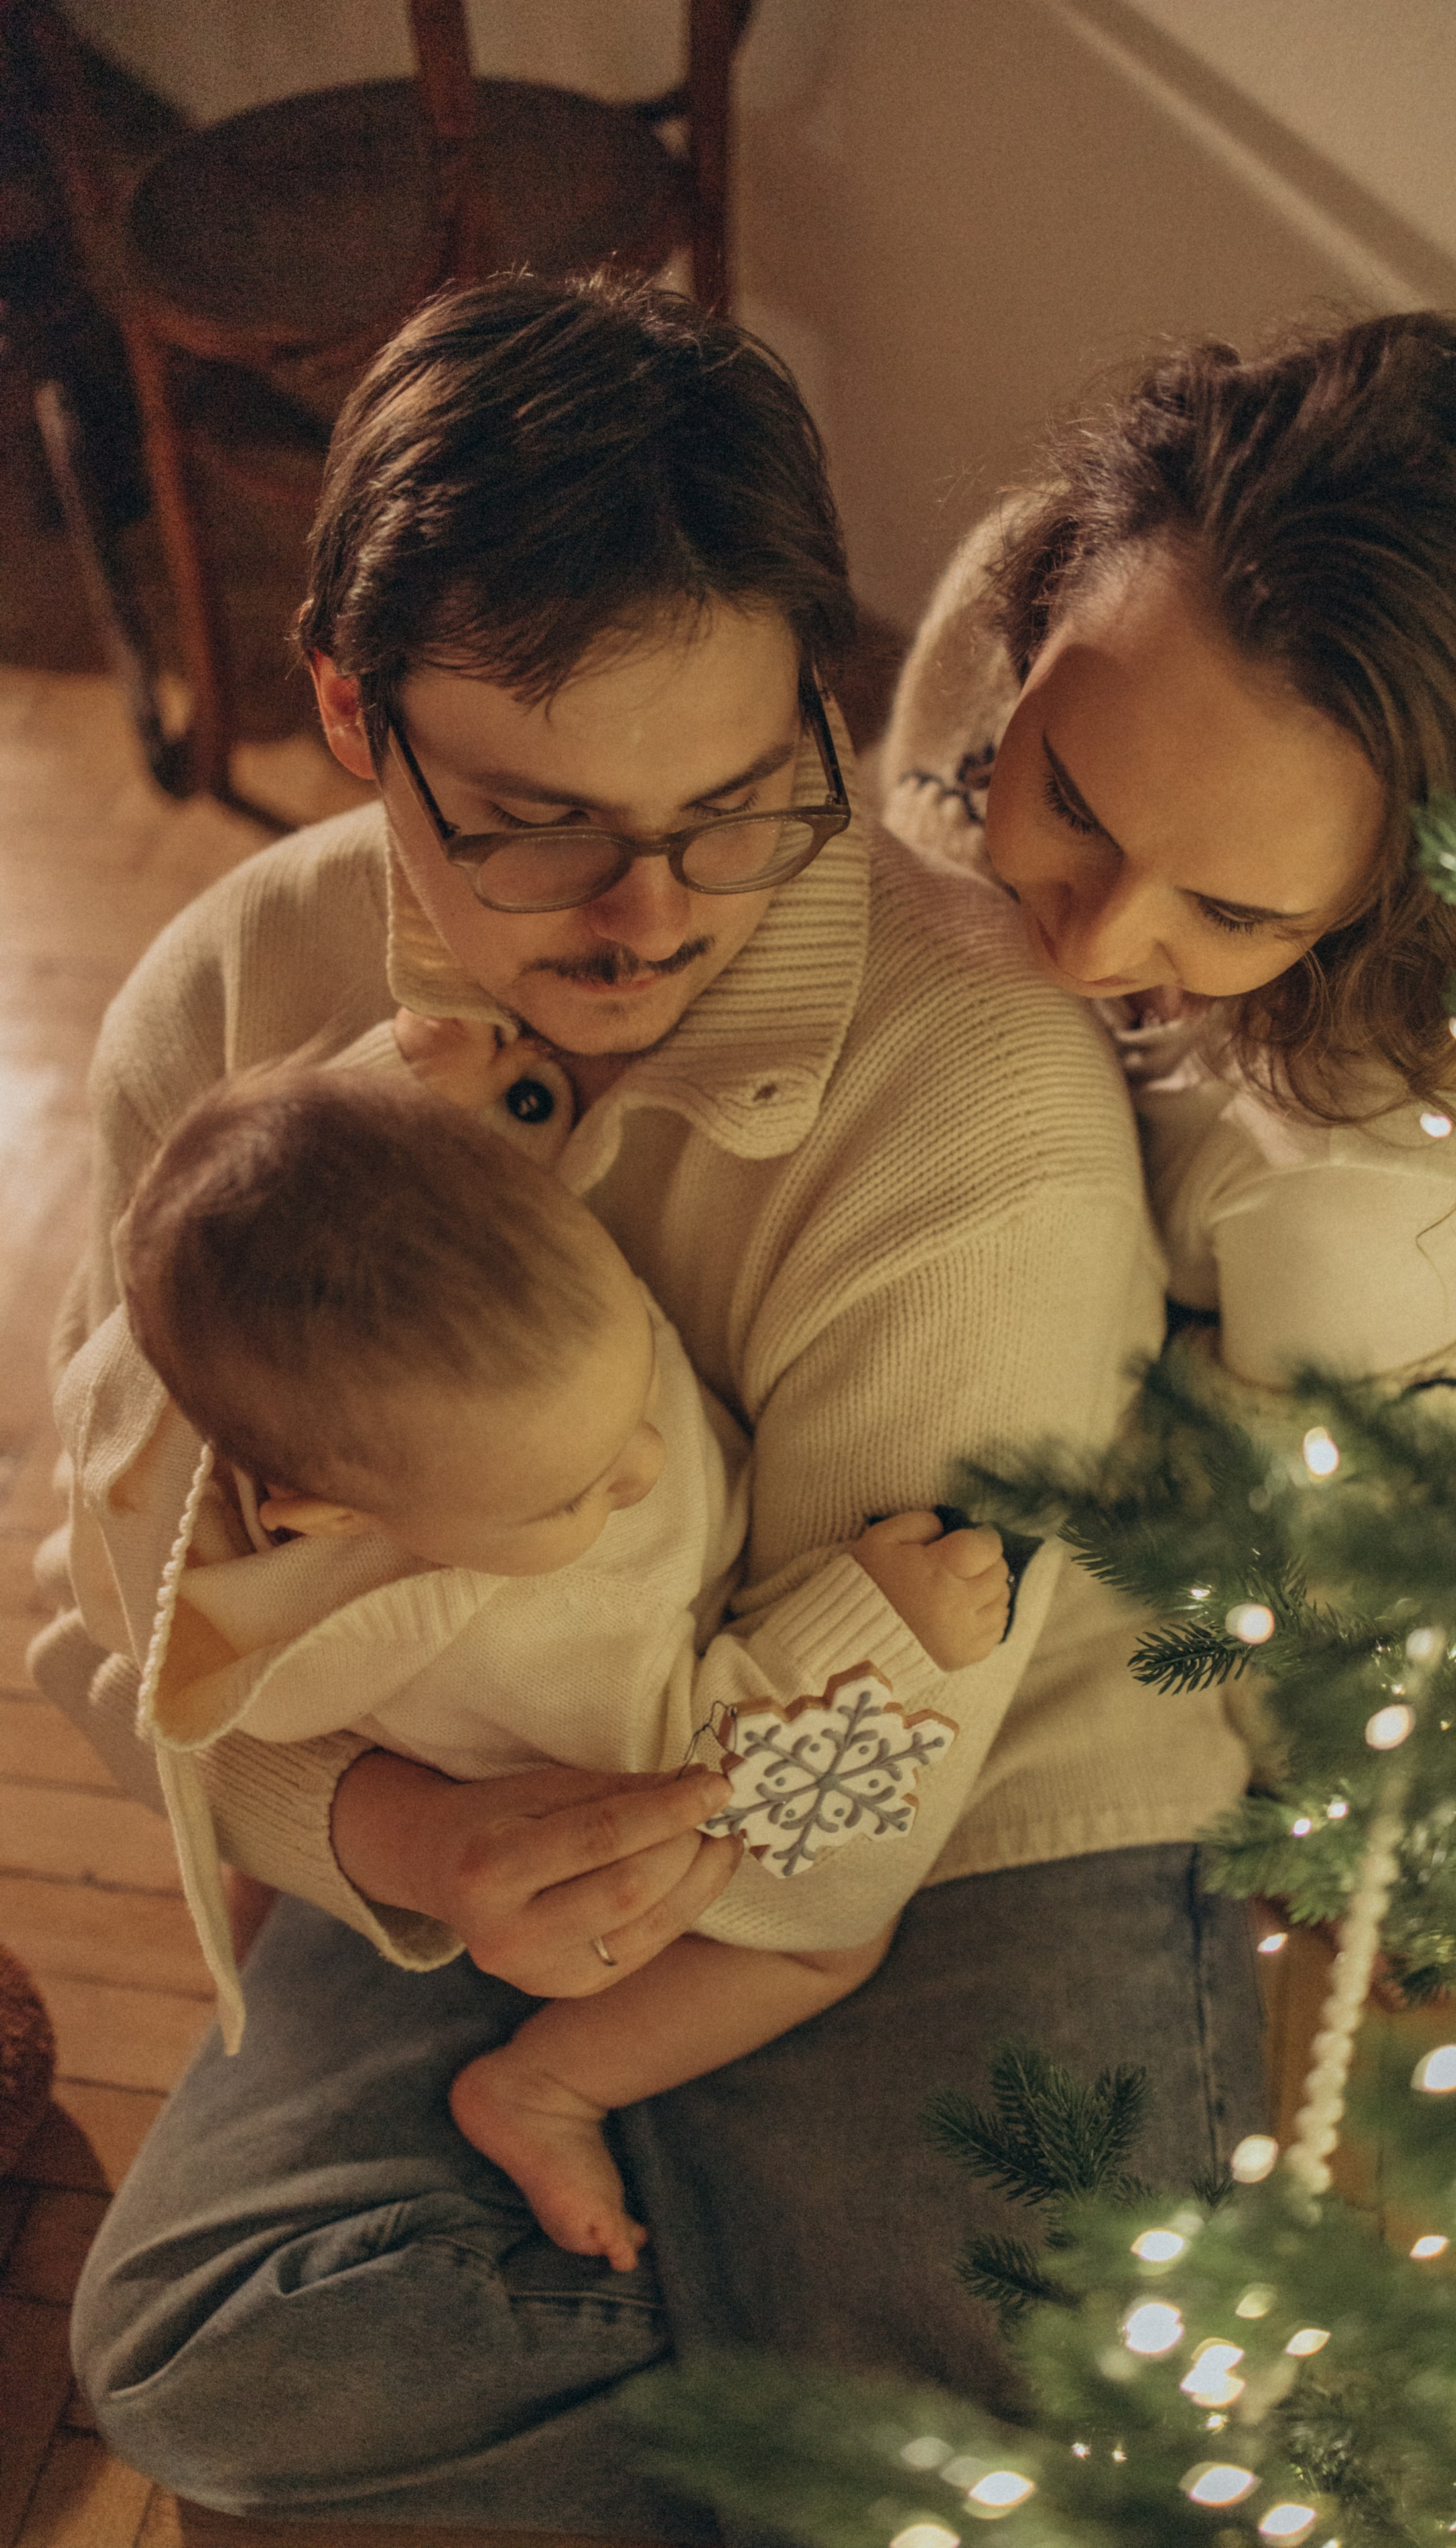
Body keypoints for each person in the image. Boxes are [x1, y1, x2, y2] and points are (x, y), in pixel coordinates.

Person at [34, 271, 1262, 2531]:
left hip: (983, 1814)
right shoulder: (225, 1014)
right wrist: (417, 1841)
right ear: (344, 708)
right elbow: (119, 1615)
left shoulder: (975, 1088)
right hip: (493, 1780)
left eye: (732, 801)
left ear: (813, 688)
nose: (645, 910)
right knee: (210, 2362)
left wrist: (573, 1907)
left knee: (1008, 2455)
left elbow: (882, 1741)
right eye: (527, 820)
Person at [68, 1056, 1009, 2273]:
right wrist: (875, 1621)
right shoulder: (519, 1629)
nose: (643, 1469)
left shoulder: (474, 1366)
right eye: (571, 1493)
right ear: (326, 1519)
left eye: (635, 1386)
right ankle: (546, 2089)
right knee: (830, 1944)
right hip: (615, 1830)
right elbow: (702, 1777)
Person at [881, 311, 1456, 1427]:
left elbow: (1200, 1577)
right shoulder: (1015, 603)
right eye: (1072, 802)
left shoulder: (1358, 1215)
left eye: (1229, 911)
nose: (1091, 947)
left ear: (1396, 902)